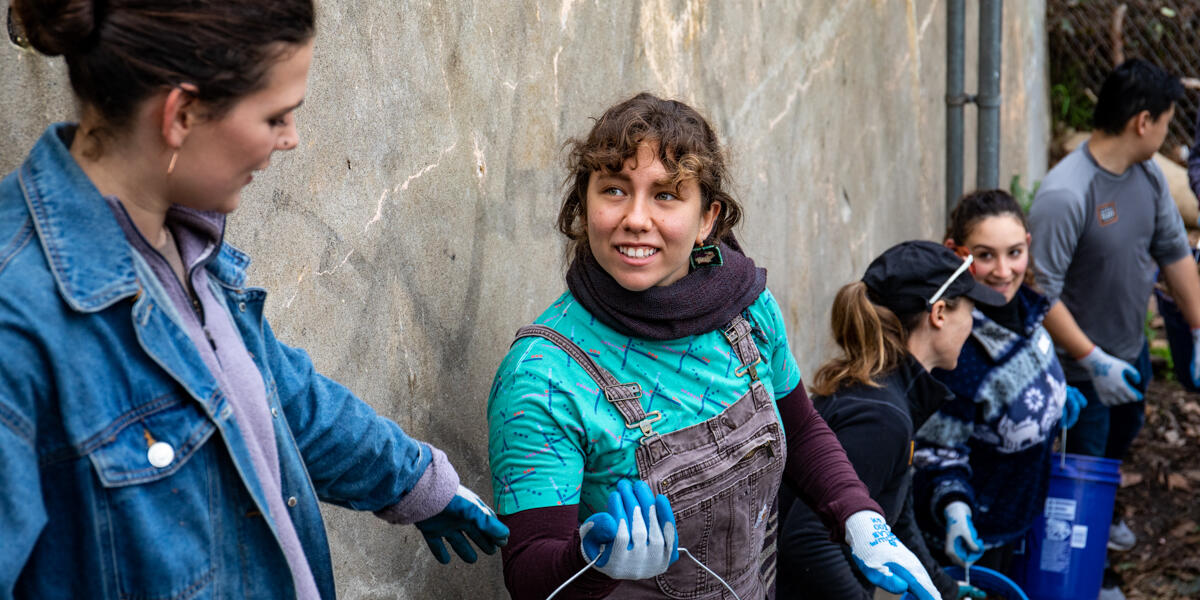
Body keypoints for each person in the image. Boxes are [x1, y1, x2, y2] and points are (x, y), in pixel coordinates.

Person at [0, 1, 507, 597]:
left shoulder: (182, 246)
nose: (291, 140)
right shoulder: (20, 322)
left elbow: (280, 397)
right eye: (275, 117)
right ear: (182, 114)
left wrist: (416, 481)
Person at [486, 93, 941, 600]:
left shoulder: (746, 308)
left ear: (708, 218)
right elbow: (528, 576)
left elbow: (803, 428)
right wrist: (594, 560)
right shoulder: (542, 377)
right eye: (614, 190)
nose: (635, 218)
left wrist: (858, 516)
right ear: (584, 202)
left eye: (665, 195)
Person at [1028, 58, 1200, 598]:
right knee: (1079, 474)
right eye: (1169, 122)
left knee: (1122, 438)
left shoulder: (1147, 176)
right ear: (1143, 122)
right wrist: (1092, 357)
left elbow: (1174, 251)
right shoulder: (1065, 194)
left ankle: (1107, 515)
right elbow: (1039, 292)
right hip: (1082, 373)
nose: (1170, 137)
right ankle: (1085, 572)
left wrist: (1198, 328)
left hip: (1131, 354)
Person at [775, 240, 1006, 600]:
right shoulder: (881, 417)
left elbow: (894, 519)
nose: (972, 325)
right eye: (971, 311)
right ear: (940, 313)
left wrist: (946, 590)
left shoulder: (889, 396)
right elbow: (807, 540)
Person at [911, 190, 1087, 578]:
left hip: (1019, 513)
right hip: (975, 540)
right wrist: (954, 506)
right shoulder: (957, 348)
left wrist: (1054, 399)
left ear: (1028, 246)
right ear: (957, 253)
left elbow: (1020, 379)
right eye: (985, 255)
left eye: (1013, 253)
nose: (1004, 271)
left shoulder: (1026, 305)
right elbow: (936, 452)